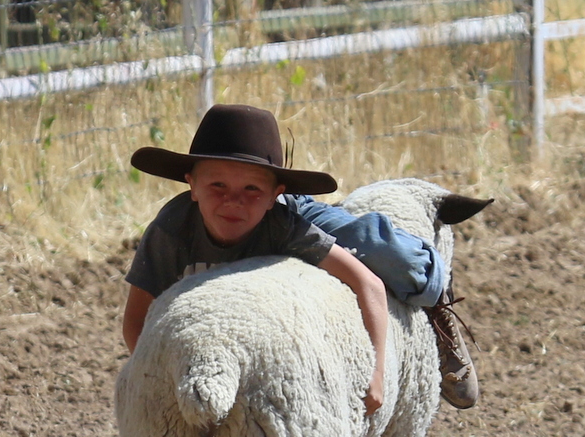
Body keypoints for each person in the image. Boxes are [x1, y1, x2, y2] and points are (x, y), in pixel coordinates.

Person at [122, 104, 478, 410]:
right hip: (261, 233)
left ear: (276, 192)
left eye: (251, 188)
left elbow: (366, 282)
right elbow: (135, 321)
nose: (233, 201)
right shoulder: (171, 231)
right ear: (192, 185)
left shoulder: (283, 224)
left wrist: (377, 373)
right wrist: (156, 376)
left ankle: (436, 292)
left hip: (287, 220)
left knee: (379, 250)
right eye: (218, 186)